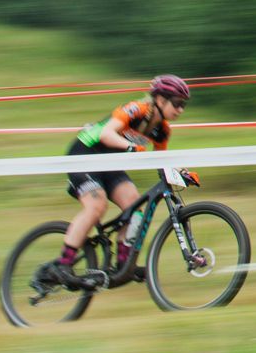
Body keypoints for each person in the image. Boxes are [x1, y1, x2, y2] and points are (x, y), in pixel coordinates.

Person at [45, 74, 190, 288]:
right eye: (177, 103)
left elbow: (161, 161)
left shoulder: (163, 130)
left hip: (109, 164)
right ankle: (63, 264)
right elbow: (106, 133)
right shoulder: (137, 109)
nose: (180, 110)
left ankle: (123, 265)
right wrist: (130, 147)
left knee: (134, 205)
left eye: (184, 105)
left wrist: (182, 172)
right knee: (97, 206)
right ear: (160, 100)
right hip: (84, 153)